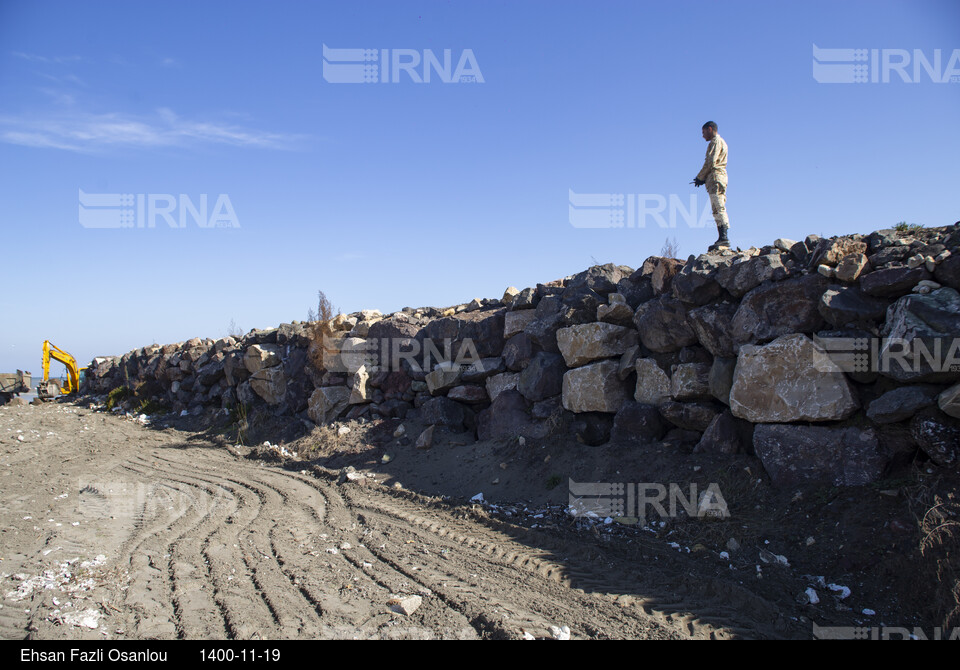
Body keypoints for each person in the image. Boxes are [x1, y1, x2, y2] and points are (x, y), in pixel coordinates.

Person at [692, 121, 729, 250]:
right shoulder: (720, 142)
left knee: (718, 206)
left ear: (710, 129)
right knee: (716, 207)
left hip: (715, 177)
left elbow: (710, 162)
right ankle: (722, 237)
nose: (702, 136)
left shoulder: (715, 142)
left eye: (703, 132)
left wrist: (700, 177)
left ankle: (724, 237)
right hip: (718, 177)